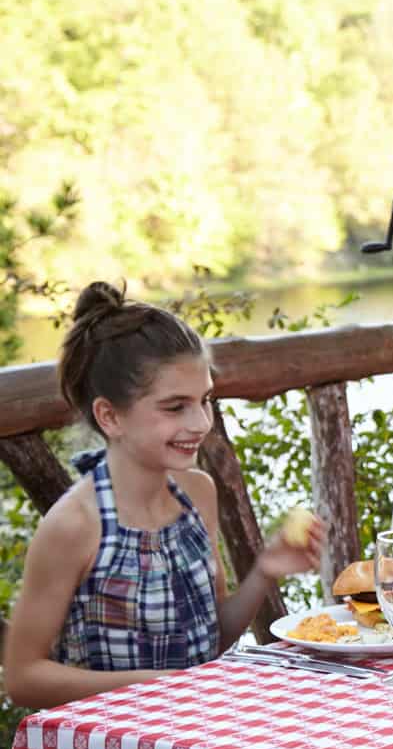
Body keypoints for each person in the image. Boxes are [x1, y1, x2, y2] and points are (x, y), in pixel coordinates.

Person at [3, 282, 323, 709]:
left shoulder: (196, 494)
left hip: (191, 734)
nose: (201, 423)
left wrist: (264, 571)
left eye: (205, 400)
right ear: (110, 416)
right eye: (176, 407)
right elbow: (24, 678)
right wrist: (159, 684)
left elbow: (210, 641)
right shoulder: (75, 525)